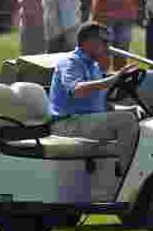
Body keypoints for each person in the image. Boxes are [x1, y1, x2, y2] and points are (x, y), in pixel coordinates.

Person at [48, 22, 141, 183]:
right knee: (125, 121)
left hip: (87, 122)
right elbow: (77, 89)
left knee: (135, 114)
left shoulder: (94, 66)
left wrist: (129, 108)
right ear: (88, 42)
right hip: (68, 124)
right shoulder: (71, 62)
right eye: (104, 41)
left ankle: (125, 173)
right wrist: (113, 79)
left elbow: (99, 104)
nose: (108, 46)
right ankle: (130, 178)